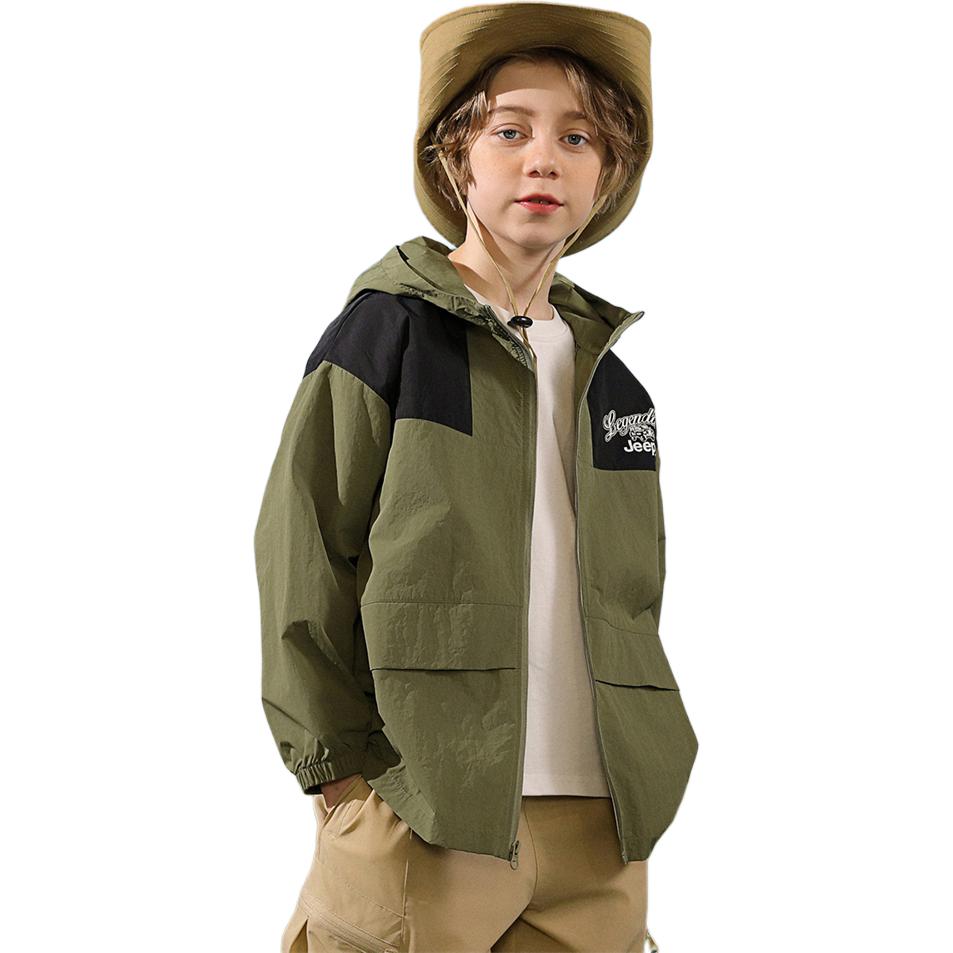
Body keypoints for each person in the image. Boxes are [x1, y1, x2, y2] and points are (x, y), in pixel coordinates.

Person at [253, 4, 698, 951]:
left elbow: (633, 595)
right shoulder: (389, 332)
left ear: (608, 175)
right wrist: (337, 768)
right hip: (428, 800)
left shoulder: (614, 381)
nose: (544, 160)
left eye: (576, 138)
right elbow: (303, 546)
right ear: (456, 159)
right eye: (509, 131)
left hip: (601, 820)